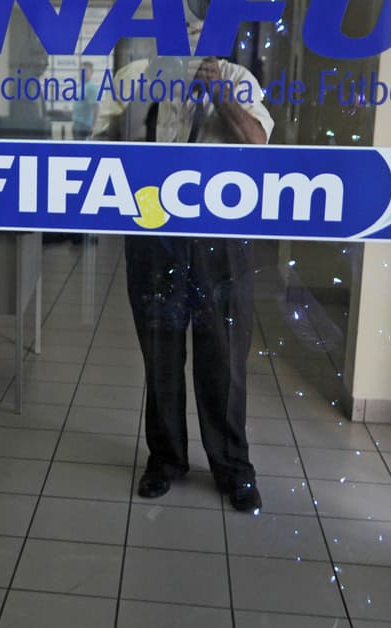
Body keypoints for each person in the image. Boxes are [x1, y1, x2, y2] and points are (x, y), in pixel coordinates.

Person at [93, 28, 273, 512]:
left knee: (225, 358)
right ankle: (166, 458)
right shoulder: (133, 80)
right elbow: (98, 151)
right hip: (155, 238)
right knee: (161, 355)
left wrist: (220, 95)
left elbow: (257, 144)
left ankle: (233, 467)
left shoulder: (237, 79)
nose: (191, 47)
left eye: (200, 36)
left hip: (221, 240)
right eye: (182, 35)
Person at [71, 60, 100, 139]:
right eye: (80, 70)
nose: (82, 73)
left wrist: (93, 127)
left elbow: (96, 108)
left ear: (91, 72)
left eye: (85, 71)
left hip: (84, 125)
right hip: (77, 123)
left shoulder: (91, 87)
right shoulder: (82, 86)